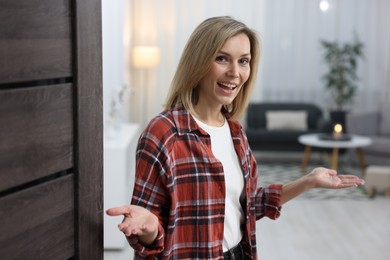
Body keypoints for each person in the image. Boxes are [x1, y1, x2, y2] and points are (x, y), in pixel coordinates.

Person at [106, 16, 364, 259]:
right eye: (222, 58)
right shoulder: (163, 133)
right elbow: (146, 229)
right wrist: (150, 227)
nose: (235, 72)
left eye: (243, 61)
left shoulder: (236, 133)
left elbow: (246, 206)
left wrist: (308, 181)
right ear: (198, 62)